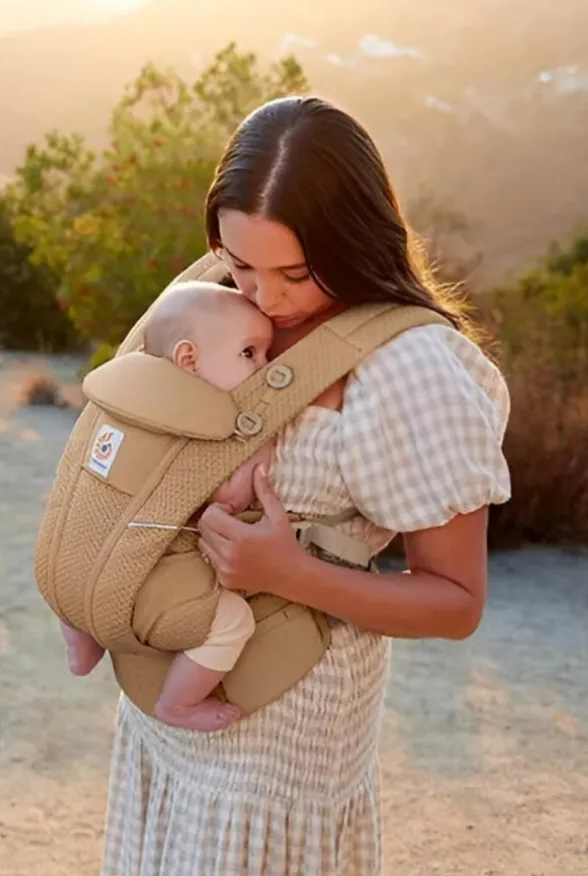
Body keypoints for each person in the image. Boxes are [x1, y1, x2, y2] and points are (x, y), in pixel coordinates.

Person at [99, 95, 511, 876]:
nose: (265, 299)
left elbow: (457, 603)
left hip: (284, 732)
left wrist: (289, 573)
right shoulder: (215, 299)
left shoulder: (408, 367)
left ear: (355, 237)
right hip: (170, 695)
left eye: (294, 270)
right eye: (240, 262)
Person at [59, 280, 275, 732]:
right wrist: (262, 450)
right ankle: (178, 703)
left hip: (66, 566)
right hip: (135, 580)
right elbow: (230, 498)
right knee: (232, 622)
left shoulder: (122, 400)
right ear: (188, 360)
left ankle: (81, 643)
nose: (266, 365)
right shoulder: (204, 424)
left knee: (78, 565)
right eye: (250, 353)